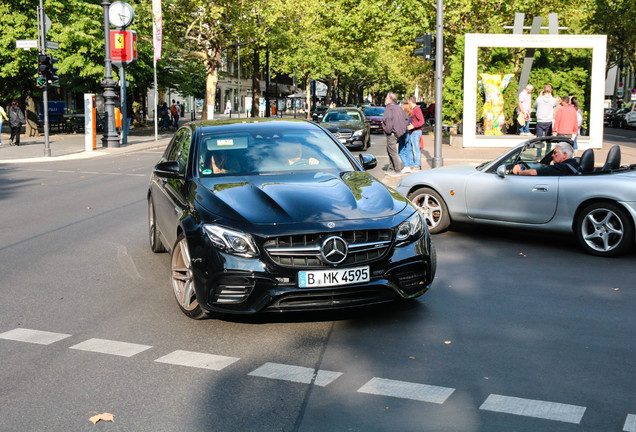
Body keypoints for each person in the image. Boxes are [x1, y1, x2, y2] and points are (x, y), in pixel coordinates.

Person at [381, 92, 409, 176]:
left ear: (390, 99)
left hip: (392, 133)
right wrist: (401, 130)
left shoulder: (389, 108)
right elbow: (406, 119)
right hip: (398, 133)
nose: (385, 99)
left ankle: (396, 169)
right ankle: (392, 167)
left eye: (386, 98)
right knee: (390, 149)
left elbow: (388, 120)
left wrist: (387, 129)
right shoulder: (398, 108)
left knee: (392, 151)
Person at [512, 142, 578, 176]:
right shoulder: (574, 164)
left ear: (564, 155)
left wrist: (519, 172)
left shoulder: (561, 167)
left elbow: (534, 173)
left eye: (555, 153)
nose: (552, 155)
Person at [407, 95, 424, 171]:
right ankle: (413, 165)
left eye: (408, 102)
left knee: (415, 149)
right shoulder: (414, 109)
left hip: (416, 132)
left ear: (410, 101)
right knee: (411, 149)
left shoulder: (417, 109)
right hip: (412, 131)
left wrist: (413, 125)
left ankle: (417, 166)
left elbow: (422, 121)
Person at [398, 102, 414, 173]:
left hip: (403, 134)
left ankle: (406, 166)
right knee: (408, 150)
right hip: (407, 134)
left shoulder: (404, 117)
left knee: (401, 152)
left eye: (403, 107)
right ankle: (410, 165)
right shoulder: (410, 117)